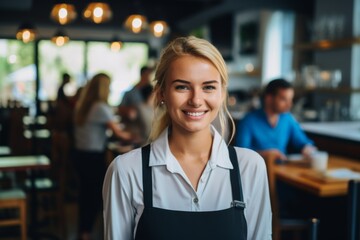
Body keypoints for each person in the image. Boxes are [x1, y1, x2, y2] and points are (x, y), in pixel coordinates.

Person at [103, 36, 272, 240]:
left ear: (221, 93)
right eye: (182, 87)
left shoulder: (250, 167)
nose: (196, 100)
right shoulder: (126, 171)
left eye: (208, 87)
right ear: (161, 93)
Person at [73, 73, 134, 240]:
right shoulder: (100, 107)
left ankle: (84, 231)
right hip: (92, 157)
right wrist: (139, 135)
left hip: (80, 155)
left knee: (86, 194)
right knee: (96, 195)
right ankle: (94, 232)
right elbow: (120, 134)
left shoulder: (84, 105)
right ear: (103, 88)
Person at [235, 78, 316, 161]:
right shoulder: (248, 121)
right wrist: (267, 154)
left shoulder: (287, 118)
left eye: (290, 99)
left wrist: (307, 147)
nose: (289, 104)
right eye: (284, 99)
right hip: (256, 170)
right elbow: (240, 153)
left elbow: (303, 141)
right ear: (269, 98)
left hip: (281, 169)